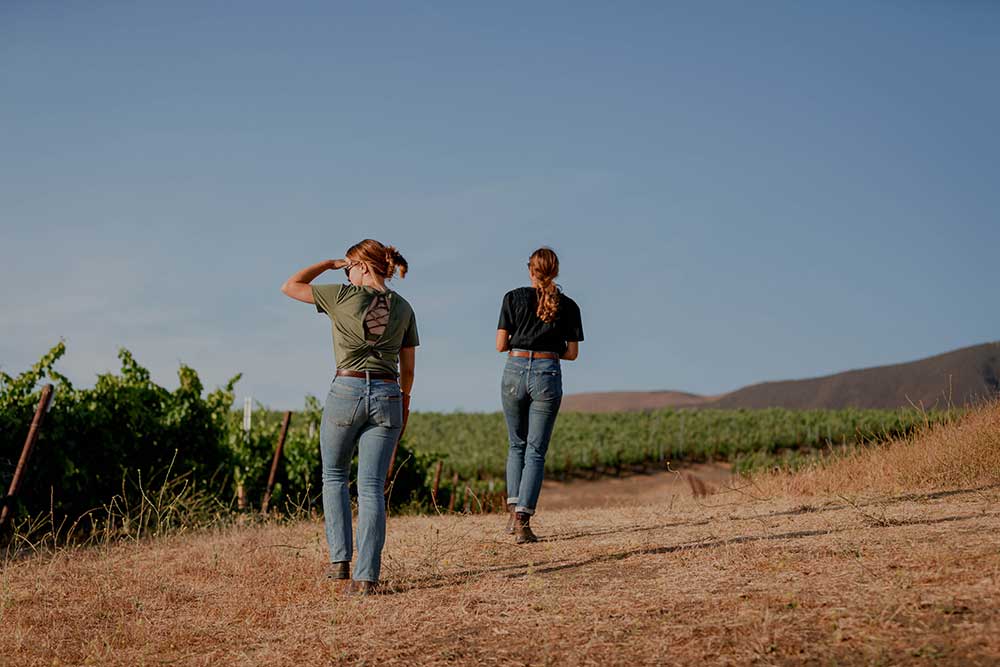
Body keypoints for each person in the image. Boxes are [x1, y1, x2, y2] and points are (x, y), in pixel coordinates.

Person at [281, 239, 418, 594]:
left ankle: (340, 560)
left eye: (349, 267)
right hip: (389, 394)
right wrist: (403, 402)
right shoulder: (404, 308)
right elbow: (408, 369)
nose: (346, 272)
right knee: (372, 488)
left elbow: (290, 285)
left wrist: (328, 263)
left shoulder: (341, 297)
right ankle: (366, 577)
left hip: (347, 391)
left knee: (334, 475)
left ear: (363, 266)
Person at [496, 247, 583, 543]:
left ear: (530, 269)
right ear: (555, 270)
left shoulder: (512, 297)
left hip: (514, 370)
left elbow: (500, 345)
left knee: (516, 445)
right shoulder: (569, 305)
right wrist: (549, 349)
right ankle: (523, 521)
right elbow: (571, 353)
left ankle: (511, 511)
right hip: (548, 372)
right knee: (535, 450)